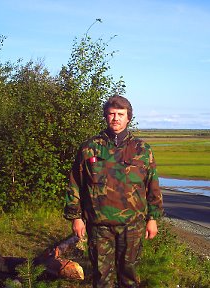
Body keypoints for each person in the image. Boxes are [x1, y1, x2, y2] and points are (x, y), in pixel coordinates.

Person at [64, 95, 163, 287]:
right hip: (99, 226)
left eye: (120, 114)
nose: (116, 118)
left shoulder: (141, 149)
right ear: (105, 117)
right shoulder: (89, 148)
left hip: (132, 226)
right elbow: (75, 183)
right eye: (111, 114)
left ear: (128, 118)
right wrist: (75, 217)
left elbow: (153, 185)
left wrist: (153, 218)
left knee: (129, 276)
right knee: (101, 277)